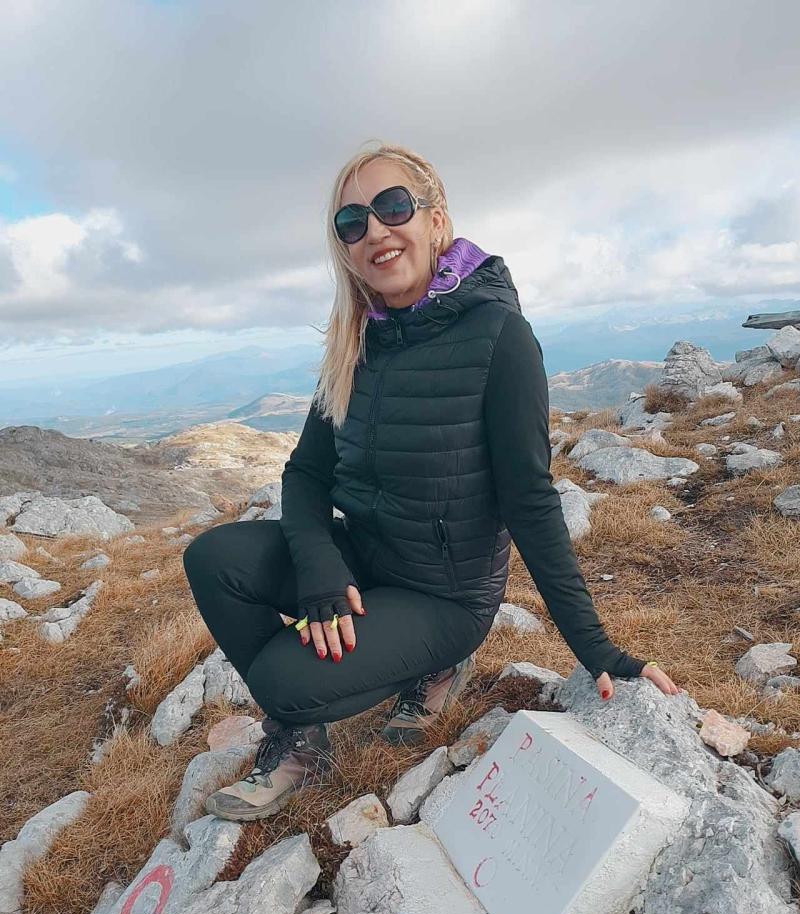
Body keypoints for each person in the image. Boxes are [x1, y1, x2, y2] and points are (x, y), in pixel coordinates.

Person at [182, 140, 680, 823]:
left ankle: (429, 667)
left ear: (436, 220)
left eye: (393, 207)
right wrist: (321, 566)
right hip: (367, 560)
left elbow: (530, 501)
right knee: (213, 558)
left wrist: (597, 649)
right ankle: (301, 738)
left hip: (445, 595)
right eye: (352, 222)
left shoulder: (499, 336)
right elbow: (306, 473)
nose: (374, 231)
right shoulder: (356, 339)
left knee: (277, 678)